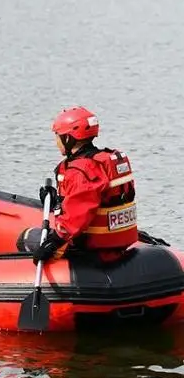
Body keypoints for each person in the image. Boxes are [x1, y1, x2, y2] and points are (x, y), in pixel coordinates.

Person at [18, 106, 138, 264]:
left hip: (91, 251)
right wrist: (56, 202)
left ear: (68, 138)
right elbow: (90, 201)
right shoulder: (104, 162)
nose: (56, 142)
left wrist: (52, 244)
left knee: (25, 238)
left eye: (58, 136)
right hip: (117, 244)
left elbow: (75, 219)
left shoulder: (80, 170)